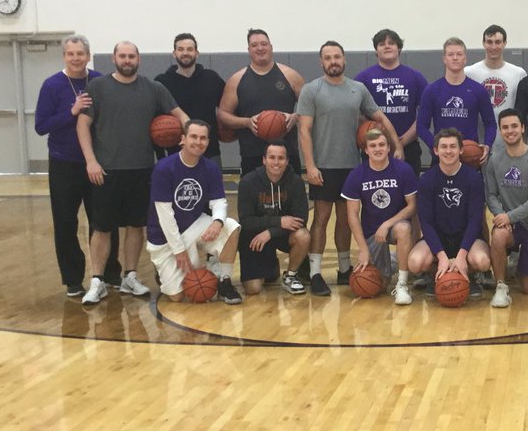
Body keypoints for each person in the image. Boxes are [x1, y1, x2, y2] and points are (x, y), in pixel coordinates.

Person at [76, 41, 187, 305]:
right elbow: (82, 125)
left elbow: (180, 114)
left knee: (136, 226)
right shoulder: (98, 87)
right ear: (114, 58)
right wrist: (90, 161)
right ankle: (97, 281)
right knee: (102, 228)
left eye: (131, 56)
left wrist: (187, 133)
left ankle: (130, 276)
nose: (127, 60)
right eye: (122, 56)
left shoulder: (153, 88)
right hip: (105, 170)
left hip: (141, 169)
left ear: (139, 59)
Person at [297, 40, 402, 296]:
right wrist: (309, 166)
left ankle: (344, 269)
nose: (333, 61)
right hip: (323, 166)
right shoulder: (312, 90)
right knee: (320, 219)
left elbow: (379, 117)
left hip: (353, 167)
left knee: (345, 220)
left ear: (344, 60)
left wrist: (396, 144)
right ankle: (316, 273)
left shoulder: (358, 89)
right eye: (328, 57)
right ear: (321, 62)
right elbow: (304, 130)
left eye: (337, 57)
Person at [33, 33, 122, 297]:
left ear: (88, 55)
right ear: (64, 56)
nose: (75, 58)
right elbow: (41, 126)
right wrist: (70, 112)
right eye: (70, 54)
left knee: (104, 220)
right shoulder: (52, 85)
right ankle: (73, 279)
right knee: (65, 222)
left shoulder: (99, 81)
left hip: (97, 162)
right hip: (64, 164)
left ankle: (109, 273)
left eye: (80, 53)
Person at [145, 120, 243, 305]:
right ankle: (163, 270)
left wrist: (217, 222)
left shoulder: (210, 168)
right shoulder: (164, 168)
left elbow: (219, 201)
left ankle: (224, 281)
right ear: (182, 139)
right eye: (194, 137)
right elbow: (164, 215)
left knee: (231, 227)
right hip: (164, 237)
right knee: (177, 297)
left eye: (203, 138)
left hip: (194, 225)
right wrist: (178, 250)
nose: (199, 142)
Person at [408, 128, 491, 296]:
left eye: (453, 146)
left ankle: (471, 276)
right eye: (444, 147)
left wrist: (461, 255)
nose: (448, 151)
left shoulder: (473, 178)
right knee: (415, 263)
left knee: (482, 261)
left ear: (461, 150)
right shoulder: (427, 180)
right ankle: (435, 275)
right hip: (438, 236)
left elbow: (475, 220)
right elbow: (426, 222)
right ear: (436, 150)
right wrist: (442, 256)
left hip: (467, 236)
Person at [483, 109, 528, 308]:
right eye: (505, 127)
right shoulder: (494, 160)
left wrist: (509, 216)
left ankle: (525, 263)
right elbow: (491, 195)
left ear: (523, 128)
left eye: (514, 126)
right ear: (500, 131)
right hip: (510, 226)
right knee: (498, 235)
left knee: (527, 287)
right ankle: (501, 286)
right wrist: (501, 216)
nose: (510, 131)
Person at [342, 127, 419, 306]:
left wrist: (388, 223)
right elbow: (352, 215)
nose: (378, 149)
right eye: (373, 145)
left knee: (403, 228)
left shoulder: (403, 170)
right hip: (372, 233)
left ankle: (401, 284)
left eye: (382, 145)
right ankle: (393, 261)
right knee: (376, 286)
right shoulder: (357, 175)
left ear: (388, 148)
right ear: (366, 150)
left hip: (393, 227)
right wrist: (363, 249)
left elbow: (413, 206)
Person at [217, 28, 305, 175]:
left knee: (290, 197)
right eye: (254, 45)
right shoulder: (237, 80)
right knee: (254, 198)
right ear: (249, 50)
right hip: (252, 154)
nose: (260, 48)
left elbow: (310, 108)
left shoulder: (291, 75)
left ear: (271, 47)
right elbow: (223, 115)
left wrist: (295, 116)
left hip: (286, 154)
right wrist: (247, 122)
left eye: (264, 44)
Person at [237, 141, 311, 296]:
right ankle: (271, 267)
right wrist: (278, 221)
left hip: (282, 234)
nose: (276, 162)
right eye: (272, 157)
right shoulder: (248, 182)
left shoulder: (296, 182)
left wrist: (270, 232)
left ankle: (290, 276)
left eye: (281, 158)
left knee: (303, 235)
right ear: (264, 160)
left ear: (287, 161)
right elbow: (246, 221)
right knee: (253, 289)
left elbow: (301, 220)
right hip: (255, 236)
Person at [355, 28, 428, 173]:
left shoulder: (415, 77)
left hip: (409, 146)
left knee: (408, 193)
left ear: (399, 48)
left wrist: (404, 140)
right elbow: (355, 112)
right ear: (376, 50)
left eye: (391, 43)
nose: (387, 46)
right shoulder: (363, 78)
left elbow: (425, 113)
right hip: (374, 146)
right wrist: (369, 130)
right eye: (382, 44)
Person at [417, 37, 497, 162]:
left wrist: (487, 145)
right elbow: (421, 126)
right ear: (444, 59)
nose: (455, 58)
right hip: (441, 159)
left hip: (469, 157)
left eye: (459, 54)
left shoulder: (478, 90)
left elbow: (491, 123)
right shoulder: (432, 90)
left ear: (465, 59)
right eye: (450, 54)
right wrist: (437, 146)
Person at [154, 32, 226, 164]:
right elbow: (154, 119)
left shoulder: (211, 78)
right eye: (180, 49)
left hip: (210, 151)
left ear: (197, 53)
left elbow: (227, 109)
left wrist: (228, 129)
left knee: (212, 185)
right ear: (174, 53)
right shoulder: (162, 82)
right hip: (175, 152)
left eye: (189, 49)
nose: (185, 53)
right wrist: (160, 155)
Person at [464, 24, 527, 112]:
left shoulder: (518, 74)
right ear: (483, 43)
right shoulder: (469, 73)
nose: (493, 47)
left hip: (506, 125)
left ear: (505, 43)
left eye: (498, 42)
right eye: (489, 42)